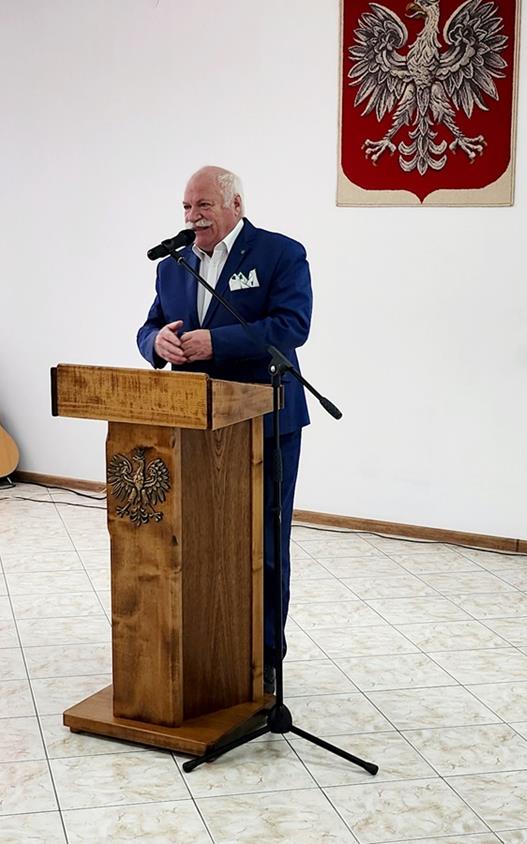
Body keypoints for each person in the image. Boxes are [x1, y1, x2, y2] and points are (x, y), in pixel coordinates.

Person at [136, 165, 313, 693]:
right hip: (194, 423)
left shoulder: (280, 253)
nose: (193, 216)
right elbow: (150, 325)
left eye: (204, 205)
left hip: (266, 420)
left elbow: (292, 326)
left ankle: (266, 659)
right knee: (199, 542)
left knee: (264, 544)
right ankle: (207, 650)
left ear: (236, 205)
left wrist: (218, 342)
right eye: (187, 207)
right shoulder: (174, 265)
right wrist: (155, 344)